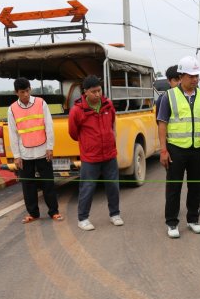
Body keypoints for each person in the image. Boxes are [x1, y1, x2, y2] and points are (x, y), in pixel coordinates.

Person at [156, 56, 200, 238]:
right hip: (176, 149)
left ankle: (193, 219)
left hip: (198, 148)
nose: (195, 79)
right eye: (191, 76)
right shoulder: (169, 96)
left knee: (195, 186)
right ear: (181, 76)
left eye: (197, 76)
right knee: (174, 187)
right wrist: (163, 150)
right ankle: (172, 222)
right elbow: (162, 123)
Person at [68, 75, 122, 231]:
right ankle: (83, 218)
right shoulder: (77, 110)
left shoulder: (108, 104)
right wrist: (88, 143)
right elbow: (73, 133)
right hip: (90, 157)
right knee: (87, 187)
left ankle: (115, 214)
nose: (98, 94)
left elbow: (113, 122)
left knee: (113, 186)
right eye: (94, 92)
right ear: (85, 92)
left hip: (110, 154)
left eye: (99, 90)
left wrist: (112, 136)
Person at [8, 77, 62, 224]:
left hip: (43, 151)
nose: (26, 94)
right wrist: (16, 155)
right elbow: (13, 133)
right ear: (16, 93)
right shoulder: (12, 109)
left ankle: (54, 212)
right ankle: (33, 213)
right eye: (22, 92)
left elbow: (49, 126)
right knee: (28, 185)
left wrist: (50, 147)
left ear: (30, 89)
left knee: (48, 183)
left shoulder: (41, 103)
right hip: (25, 154)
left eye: (27, 91)